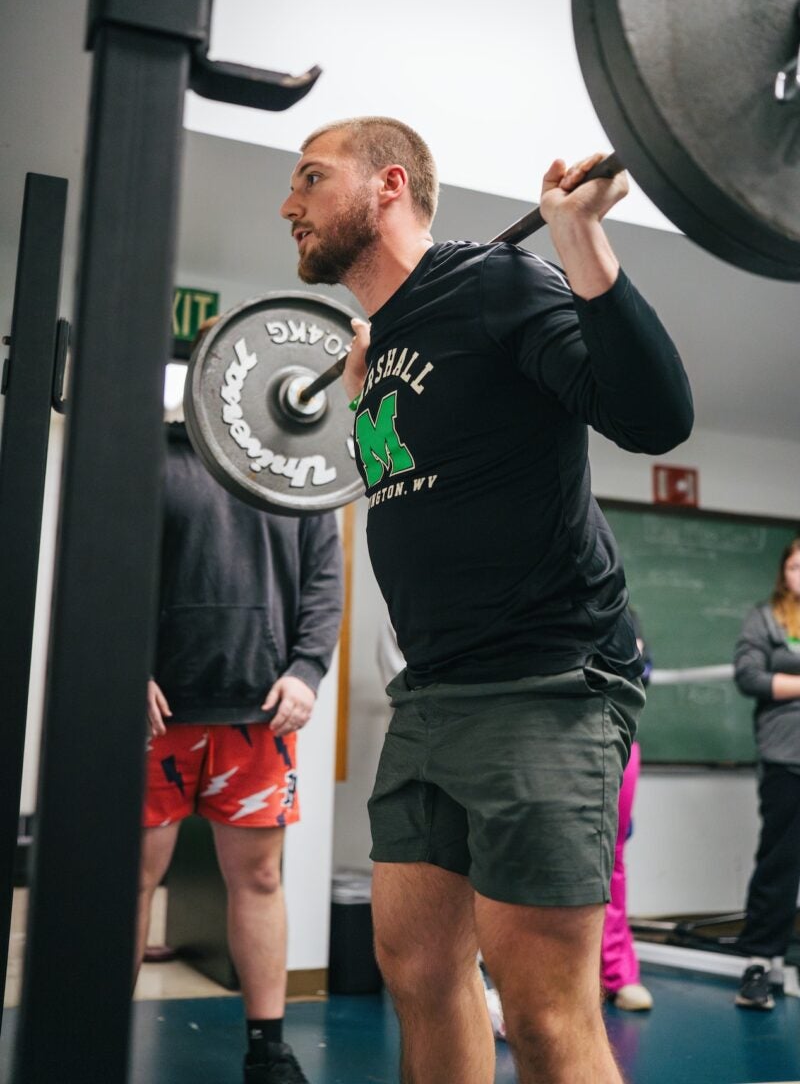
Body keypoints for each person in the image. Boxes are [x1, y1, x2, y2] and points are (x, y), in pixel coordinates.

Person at [280, 116, 693, 1083]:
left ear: (387, 185)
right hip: (434, 692)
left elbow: (654, 417)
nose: (288, 203)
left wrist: (581, 237)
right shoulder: (380, 350)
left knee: (546, 1014)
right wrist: (362, 392)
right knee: (418, 970)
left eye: (309, 178)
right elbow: (420, 489)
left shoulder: (498, 282)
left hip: (546, 681)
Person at [136, 414, 344, 1084]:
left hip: (259, 714)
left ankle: (268, 1050)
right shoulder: (153, 459)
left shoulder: (298, 470)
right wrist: (123, 664)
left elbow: (322, 581)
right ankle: (96, 1036)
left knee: (257, 879)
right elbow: (114, 567)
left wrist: (308, 669)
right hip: (155, 714)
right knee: (130, 880)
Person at [732, 537, 800, 1011]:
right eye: (797, 565)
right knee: (779, 862)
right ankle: (759, 962)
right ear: (784, 572)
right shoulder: (766, 618)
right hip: (786, 759)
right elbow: (749, 676)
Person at [601, 611, 653, 1012]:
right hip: (549, 740)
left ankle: (618, 973)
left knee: (612, 859)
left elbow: (642, 670)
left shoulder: (621, 611)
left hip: (617, 739)